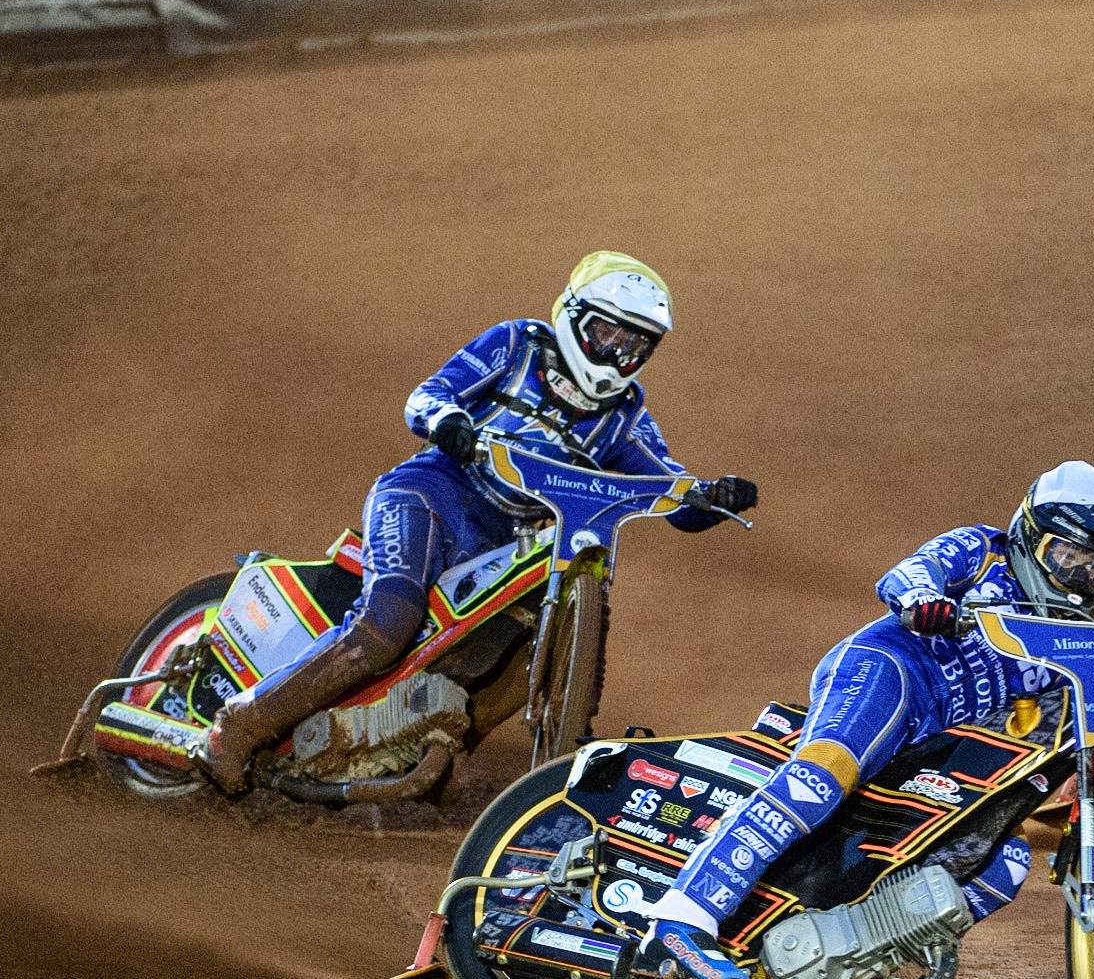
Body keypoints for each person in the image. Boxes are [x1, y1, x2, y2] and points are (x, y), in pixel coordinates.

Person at [636, 461, 1094, 979]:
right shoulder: (982, 548)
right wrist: (925, 601)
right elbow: (906, 575)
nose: (1082, 581)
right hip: (891, 670)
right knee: (821, 780)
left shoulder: (1073, 637)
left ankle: (849, 959)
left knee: (1001, 857)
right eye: (1071, 558)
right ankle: (680, 922)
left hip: (941, 743)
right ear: (1032, 535)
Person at [195, 251, 758, 793]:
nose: (617, 354)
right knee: (387, 623)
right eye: (608, 334)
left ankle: (418, 753)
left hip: (506, 547)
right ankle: (238, 727)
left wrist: (712, 497)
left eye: (636, 345)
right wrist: (447, 420)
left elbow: (670, 489)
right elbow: (429, 394)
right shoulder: (518, 346)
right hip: (430, 495)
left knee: (519, 652)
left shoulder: (625, 418)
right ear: (573, 317)